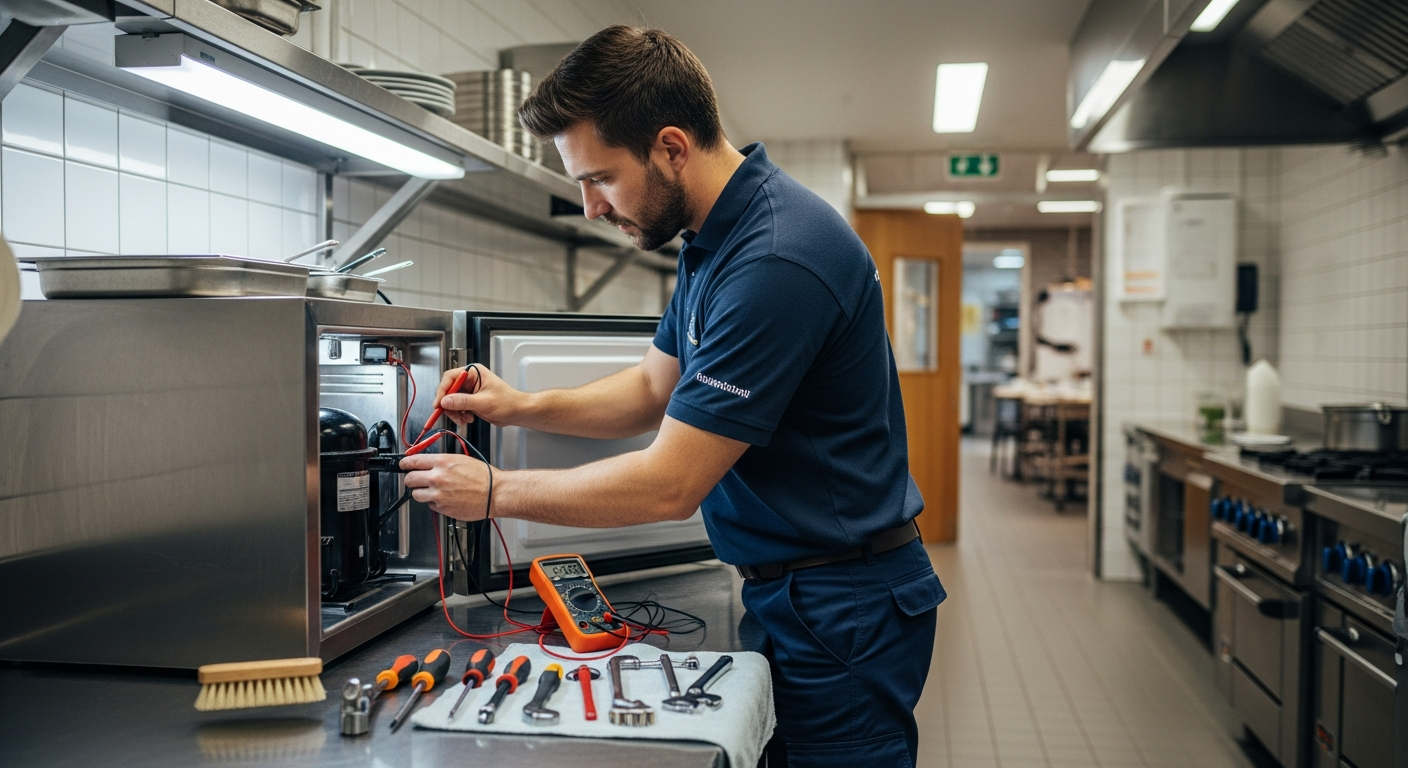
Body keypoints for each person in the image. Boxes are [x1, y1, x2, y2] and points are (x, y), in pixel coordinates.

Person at [400, 25, 946, 767]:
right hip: (798, 594)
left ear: (671, 147)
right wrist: (521, 405)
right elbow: (655, 387)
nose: (590, 206)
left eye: (599, 178)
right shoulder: (713, 241)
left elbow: (670, 483)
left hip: (844, 606)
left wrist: (495, 490)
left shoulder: (776, 259)